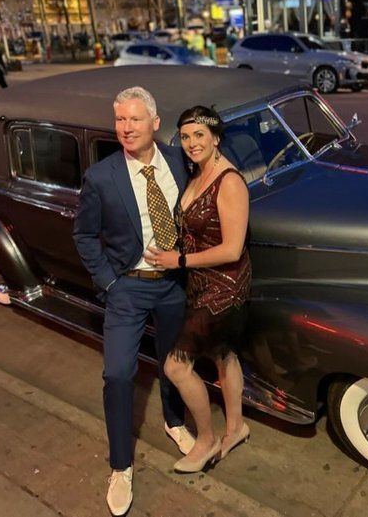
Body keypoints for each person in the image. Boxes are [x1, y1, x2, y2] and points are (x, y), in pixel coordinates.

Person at [73, 86, 195, 516]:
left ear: (155, 123)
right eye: (120, 119)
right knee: (118, 374)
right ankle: (120, 466)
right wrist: (109, 283)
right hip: (128, 286)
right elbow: (84, 235)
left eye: (135, 119)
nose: (126, 127)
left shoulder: (179, 161)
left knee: (174, 363)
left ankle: (174, 420)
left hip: (174, 284)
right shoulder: (101, 176)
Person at [155, 106, 251, 474]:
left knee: (176, 367)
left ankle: (206, 440)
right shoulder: (198, 173)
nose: (192, 142)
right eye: (185, 136)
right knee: (223, 354)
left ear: (216, 138)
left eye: (199, 135)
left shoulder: (229, 182)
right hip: (199, 282)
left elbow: (232, 249)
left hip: (224, 288)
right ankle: (236, 428)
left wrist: (177, 260)